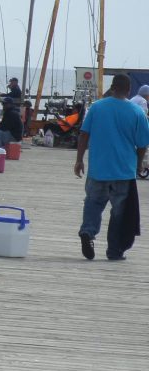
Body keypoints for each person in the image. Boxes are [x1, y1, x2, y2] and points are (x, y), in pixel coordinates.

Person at [74, 74, 149, 261]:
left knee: (93, 203)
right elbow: (142, 145)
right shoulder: (137, 112)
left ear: (112, 87)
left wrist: (79, 160)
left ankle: (88, 232)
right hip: (123, 171)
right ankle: (114, 251)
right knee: (119, 213)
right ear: (129, 89)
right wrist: (139, 165)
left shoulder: (97, 107)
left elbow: (84, 134)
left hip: (98, 168)